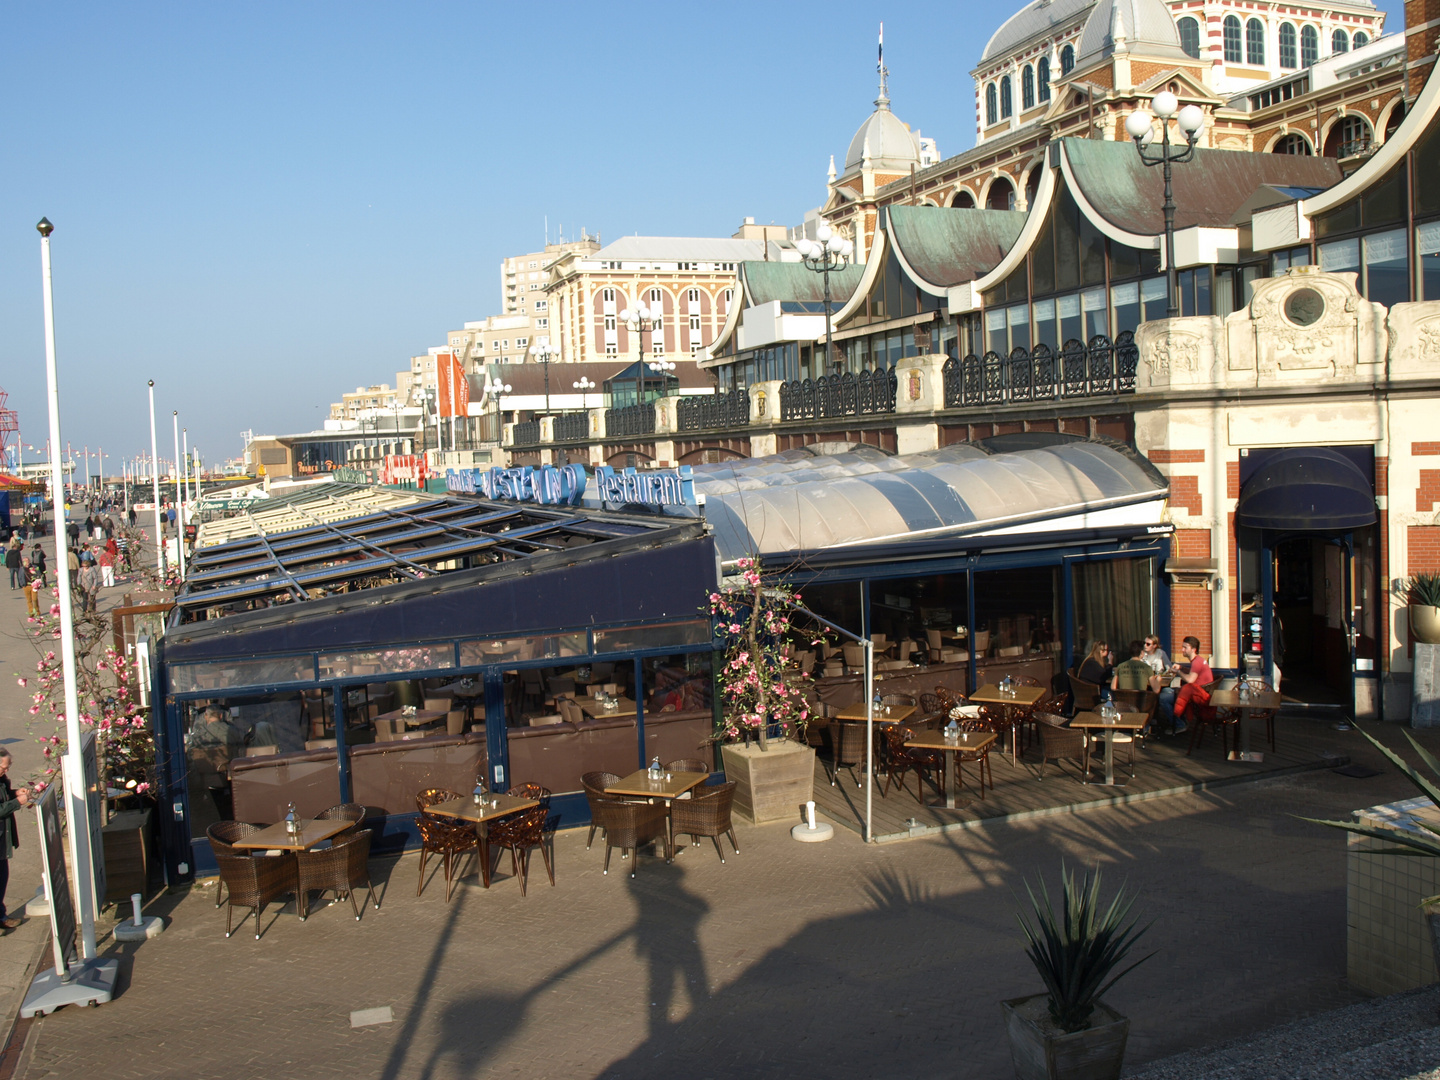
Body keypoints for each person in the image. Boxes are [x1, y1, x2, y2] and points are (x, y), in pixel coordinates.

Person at [1156, 635, 1213, 735]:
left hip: (1197, 695)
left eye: (1185, 647)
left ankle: (1179, 724)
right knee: (1165, 691)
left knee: (1162, 698)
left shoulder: (1196, 663)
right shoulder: (1198, 660)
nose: (1182, 649)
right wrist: (1182, 667)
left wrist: (1178, 671)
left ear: (1193, 649)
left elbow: (1190, 680)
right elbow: (1194, 674)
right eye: (1182, 647)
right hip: (1201, 691)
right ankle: (1179, 720)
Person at [0, 750, 30, 932]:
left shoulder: (2, 780)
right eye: (4, 766)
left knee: (2, 877)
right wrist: (17, 802)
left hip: (2, 838)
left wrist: (14, 793)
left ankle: (1, 915)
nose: (7, 770)